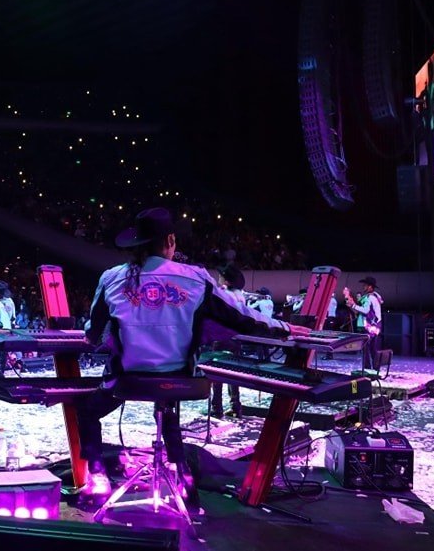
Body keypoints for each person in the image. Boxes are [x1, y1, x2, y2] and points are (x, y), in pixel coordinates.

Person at [77, 207, 308, 501]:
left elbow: (92, 335)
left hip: (128, 381)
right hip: (181, 382)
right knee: (167, 402)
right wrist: (284, 327)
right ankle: (182, 474)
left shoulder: (111, 278)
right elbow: (242, 317)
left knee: (87, 411)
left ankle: (98, 478)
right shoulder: (196, 278)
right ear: (171, 240)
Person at [208, 264, 245, 418]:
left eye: (222, 275)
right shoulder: (240, 295)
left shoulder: (223, 294)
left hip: (221, 338)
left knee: (217, 375)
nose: (219, 278)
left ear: (227, 281)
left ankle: (216, 408)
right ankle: (235, 407)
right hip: (235, 339)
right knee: (233, 374)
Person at [343, 276, 383, 369]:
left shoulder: (369, 297)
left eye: (365, 285)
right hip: (375, 326)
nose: (363, 286)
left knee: (366, 349)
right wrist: (352, 305)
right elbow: (360, 311)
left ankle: (367, 370)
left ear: (370, 287)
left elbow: (365, 310)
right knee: (373, 349)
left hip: (367, 327)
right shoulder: (375, 296)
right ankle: (375, 369)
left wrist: (353, 305)